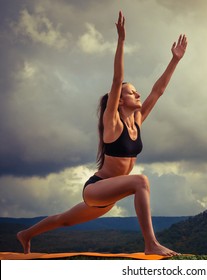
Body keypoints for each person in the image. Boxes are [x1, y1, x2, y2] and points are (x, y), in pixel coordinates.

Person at [17, 11, 187, 256]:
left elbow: (158, 91)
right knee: (141, 181)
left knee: (64, 219)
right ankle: (150, 243)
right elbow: (117, 80)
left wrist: (175, 60)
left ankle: (25, 234)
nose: (137, 95)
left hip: (108, 197)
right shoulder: (113, 123)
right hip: (96, 188)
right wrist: (121, 41)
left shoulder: (137, 120)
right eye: (132, 93)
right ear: (119, 102)